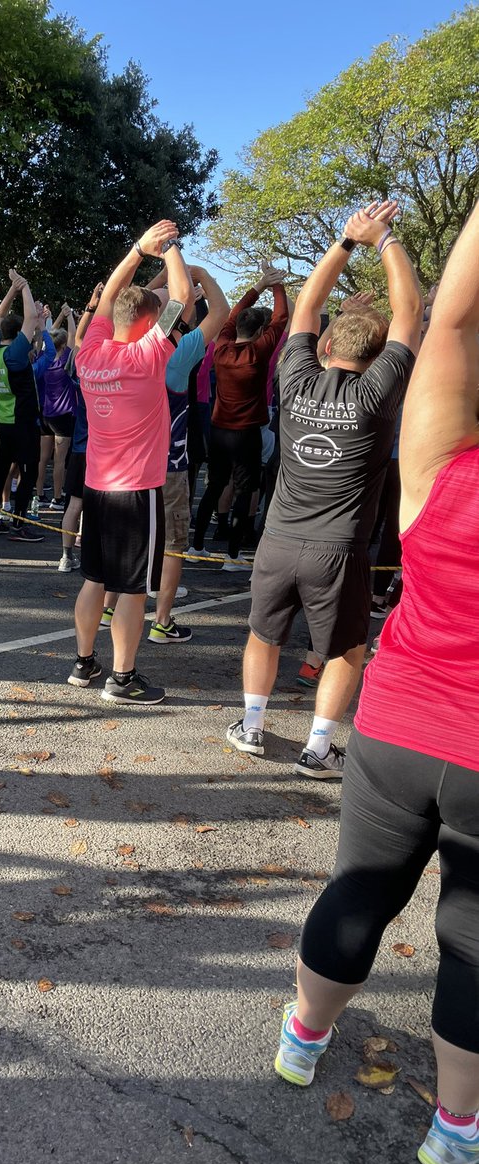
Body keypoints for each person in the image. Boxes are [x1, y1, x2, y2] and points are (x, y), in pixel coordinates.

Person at [274, 198, 479, 1164]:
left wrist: (367, 239)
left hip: (398, 724)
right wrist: (390, 249)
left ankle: (304, 1034)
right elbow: (419, 320)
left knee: (358, 888)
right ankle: (456, 1126)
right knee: (472, 940)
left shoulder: (439, 464)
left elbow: (443, 320)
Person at [226, 200, 422, 779]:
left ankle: (252, 727)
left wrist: (349, 240)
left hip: (278, 539)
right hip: (339, 551)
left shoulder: (295, 377)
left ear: (328, 347)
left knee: (263, 635)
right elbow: (410, 311)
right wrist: (385, 239)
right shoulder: (378, 395)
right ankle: (318, 749)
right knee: (346, 649)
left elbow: (308, 305)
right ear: (379, 357)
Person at [68, 219, 194, 704]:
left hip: (97, 488)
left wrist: (139, 250)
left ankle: (83, 664)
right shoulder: (147, 355)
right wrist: (171, 248)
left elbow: (106, 300)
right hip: (137, 491)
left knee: (94, 580)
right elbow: (183, 298)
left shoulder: (89, 352)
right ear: (147, 321)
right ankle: (122, 679)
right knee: (133, 589)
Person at [149, 267, 229, 643]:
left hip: (130, 467)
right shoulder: (177, 355)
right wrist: (197, 273)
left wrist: (162, 281)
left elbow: (137, 303)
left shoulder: (126, 352)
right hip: (169, 466)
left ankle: (111, 606)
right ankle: (162, 621)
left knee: (135, 540)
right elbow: (222, 312)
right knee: (172, 546)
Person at [191, 263, 288, 569]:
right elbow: (280, 318)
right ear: (259, 332)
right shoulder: (258, 354)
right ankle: (232, 555)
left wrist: (259, 285)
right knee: (244, 491)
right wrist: (276, 284)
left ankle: (197, 545)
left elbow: (232, 316)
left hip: (219, 429)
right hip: (247, 433)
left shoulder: (221, 349)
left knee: (215, 486)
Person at [0, 271, 51, 543]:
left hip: (2, 422)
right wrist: (23, 286)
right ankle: (18, 524)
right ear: (18, 334)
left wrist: (12, 290)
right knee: (29, 472)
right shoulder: (14, 354)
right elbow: (31, 318)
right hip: (22, 423)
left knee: (0, 472)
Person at [57, 284, 101, 572]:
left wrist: (91, 306)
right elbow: (80, 340)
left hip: (79, 447)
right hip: (100, 450)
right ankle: (93, 559)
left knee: (75, 503)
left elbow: (78, 339)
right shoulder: (111, 372)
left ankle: (65, 556)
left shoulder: (83, 369)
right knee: (97, 507)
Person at [36, 303, 77, 510]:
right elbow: (74, 335)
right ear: (62, 346)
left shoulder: (43, 359)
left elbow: (46, 337)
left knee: (43, 458)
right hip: (63, 415)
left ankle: (39, 493)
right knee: (60, 460)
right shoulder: (65, 362)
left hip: (46, 414)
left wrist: (59, 316)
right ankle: (58, 498)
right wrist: (69, 316)